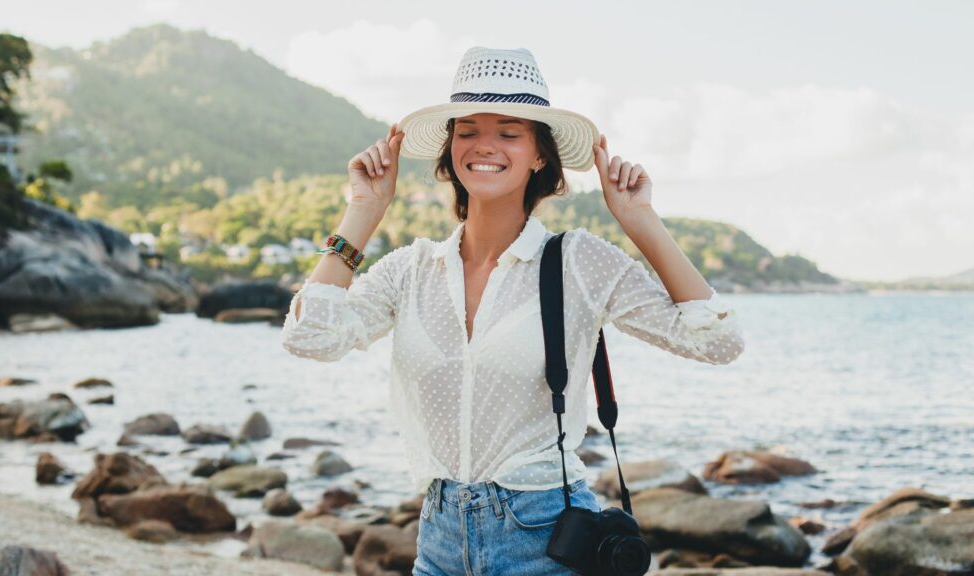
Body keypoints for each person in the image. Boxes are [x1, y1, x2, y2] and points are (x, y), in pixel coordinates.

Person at [282, 46, 745, 576]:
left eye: (508, 132)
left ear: (539, 154)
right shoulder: (409, 270)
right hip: (438, 539)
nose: (485, 146)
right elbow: (309, 338)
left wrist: (642, 222)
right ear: (451, 148)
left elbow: (718, 343)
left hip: (546, 536)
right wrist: (362, 212)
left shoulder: (578, 262)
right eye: (468, 130)